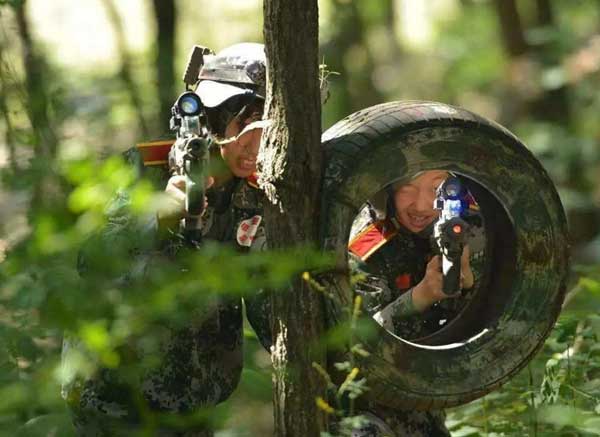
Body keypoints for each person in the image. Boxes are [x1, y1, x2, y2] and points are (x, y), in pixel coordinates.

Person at [62, 42, 271, 436]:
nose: (257, 143)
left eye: (269, 125)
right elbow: (90, 261)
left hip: (193, 404)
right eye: (246, 123)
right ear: (213, 119)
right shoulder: (143, 169)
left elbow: (271, 301)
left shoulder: (258, 197)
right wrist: (158, 214)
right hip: (114, 402)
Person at [347, 170, 485, 436]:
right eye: (407, 188)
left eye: (436, 188)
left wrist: (467, 286)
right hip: (365, 404)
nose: (422, 205)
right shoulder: (368, 244)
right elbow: (363, 343)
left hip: (425, 402)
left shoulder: (465, 228)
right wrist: (420, 297)